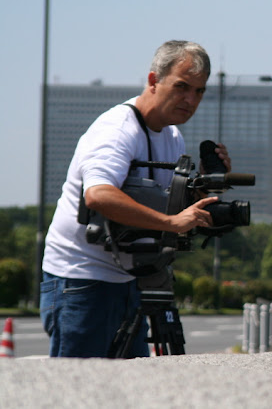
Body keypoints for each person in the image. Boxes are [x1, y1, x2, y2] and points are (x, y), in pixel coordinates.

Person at [39, 41, 230, 358]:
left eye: (199, 91)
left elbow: (169, 207)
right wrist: (171, 223)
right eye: (182, 86)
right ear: (154, 80)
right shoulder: (117, 130)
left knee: (130, 382)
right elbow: (98, 194)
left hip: (131, 280)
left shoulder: (172, 136)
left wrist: (205, 189)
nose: (191, 99)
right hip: (82, 278)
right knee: (79, 384)